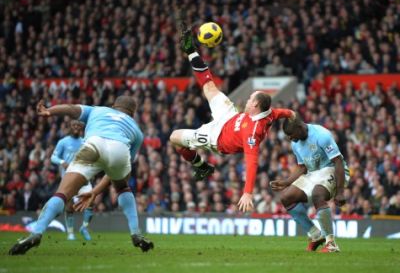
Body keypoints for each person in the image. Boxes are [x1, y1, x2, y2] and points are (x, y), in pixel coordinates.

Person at [8, 96, 154, 255]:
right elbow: (115, 171)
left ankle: (36, 233)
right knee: (123, 187)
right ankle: (135, 233)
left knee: (62, 194)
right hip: (120, 148)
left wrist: (49, 111)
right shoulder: (137, 132)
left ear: (113, 106)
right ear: (133, 113)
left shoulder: (98, 110)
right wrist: (96, 192)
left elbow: (71, 109)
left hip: (94, 144)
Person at [170, 27, 294, 212]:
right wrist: (293, 118)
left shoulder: (253, 132)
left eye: (250, 99)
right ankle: (190, 50)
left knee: (174, 137)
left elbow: (252, 162)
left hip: (217, 138)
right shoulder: (268, 112)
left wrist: (248, 193)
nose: (247, 100)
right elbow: (286, 112)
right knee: (209, 87)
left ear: (255, 106)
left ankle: (202, 166)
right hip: (230, 117)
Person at [270, 114, 349, 253]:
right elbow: (302, 167)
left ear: (300, 127)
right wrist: (286, 182)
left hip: (331, 169)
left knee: (318, 194)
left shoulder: (322, 135)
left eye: (290, 134)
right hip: (313, 173)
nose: (289, 138)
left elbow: (337, 161)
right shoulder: (295, 143)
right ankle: (316, 235)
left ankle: (331, 244)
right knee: (286, 198)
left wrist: (340, 191)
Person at [50, 120, 94, 241]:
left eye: (78, 126)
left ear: (81, 128)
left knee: (90, 202)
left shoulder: (85, 142)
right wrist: (61, 162)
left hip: (83, 178)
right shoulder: (63, 142)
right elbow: (53, 157)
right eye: (74, 125)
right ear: (70, 127)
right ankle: (70, 233)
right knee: (69, 207)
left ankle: (84, 228)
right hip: (68, 179)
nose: (76, 127)